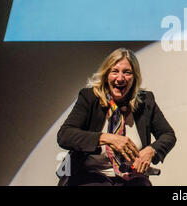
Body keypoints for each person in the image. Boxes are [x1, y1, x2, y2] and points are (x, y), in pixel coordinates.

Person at [57, 48, 176, 186]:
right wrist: (109, 139)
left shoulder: (146, 101)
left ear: (134, 77)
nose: (120, 78)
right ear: (106, 74)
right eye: (115, 71)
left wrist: (151, 150)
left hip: (131, 177)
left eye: (127, 72)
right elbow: (64, 135)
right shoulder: (89, 97)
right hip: (91, 175)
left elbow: (168, 135)